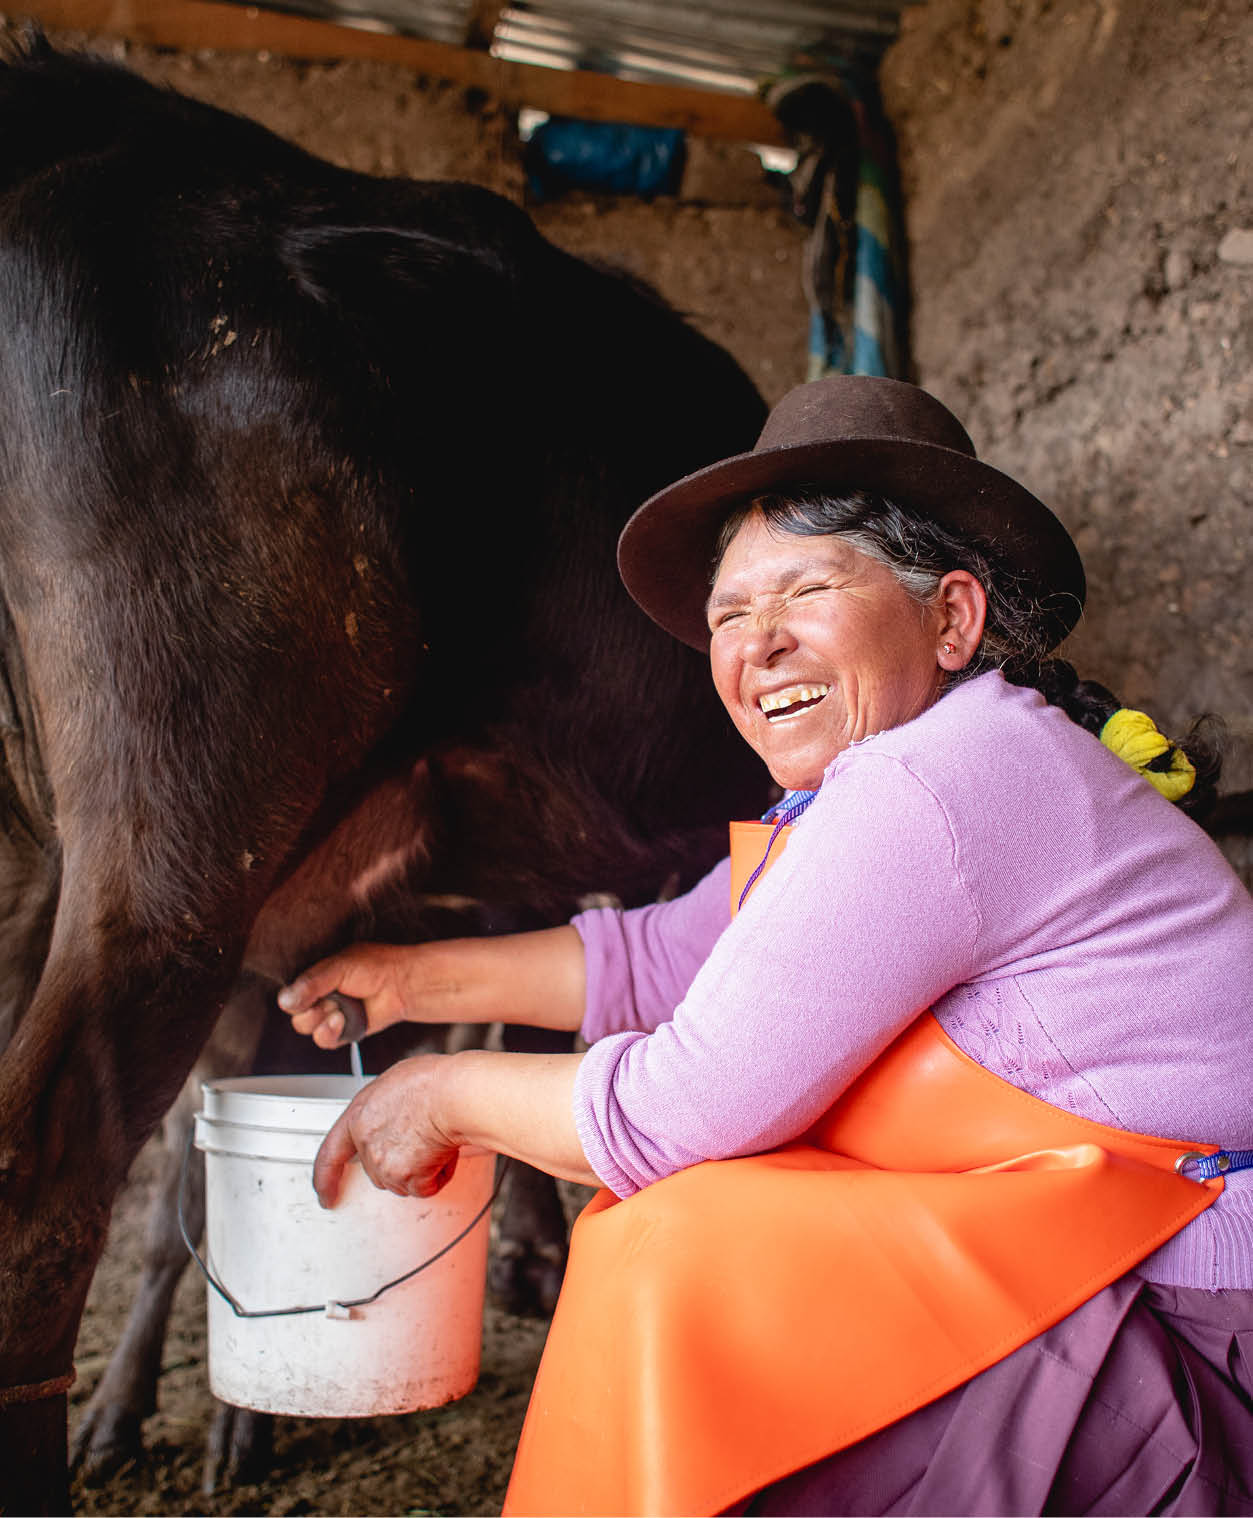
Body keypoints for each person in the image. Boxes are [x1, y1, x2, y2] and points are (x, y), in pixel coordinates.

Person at [279, 376, 1253, 1516]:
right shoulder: (910, 778)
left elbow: (677, 1115)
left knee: (681, 1246)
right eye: (730, 617)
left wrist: (439, 1093)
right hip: (1095, 1264)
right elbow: (660, 957)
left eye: (806, 592)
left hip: (1184, 1327)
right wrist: (406, 979)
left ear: (950, 619)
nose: (759, 645)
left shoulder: (935, 781)